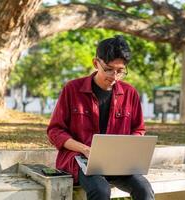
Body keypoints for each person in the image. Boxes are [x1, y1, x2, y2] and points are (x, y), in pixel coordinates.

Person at [47, 35, 155, 200]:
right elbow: (55, 131)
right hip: (80, 159)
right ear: (96, 63)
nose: (114, 76)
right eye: (109, 69)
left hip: (118, 161)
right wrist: (84, 149)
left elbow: (138, 129)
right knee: (101, 189)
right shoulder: (72, 89)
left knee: (144, 189)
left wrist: (129, 148)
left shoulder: (130, 93)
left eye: (120, 71)